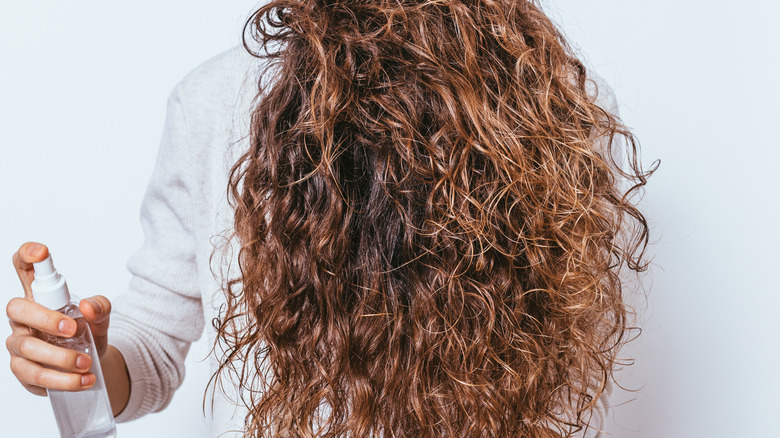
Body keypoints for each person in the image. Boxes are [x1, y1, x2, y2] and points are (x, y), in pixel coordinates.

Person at [6, 0, 652, 436]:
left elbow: (551, 338)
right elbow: (153, 338)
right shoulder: (218, 98)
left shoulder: (546, 101)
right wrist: (79, 362)